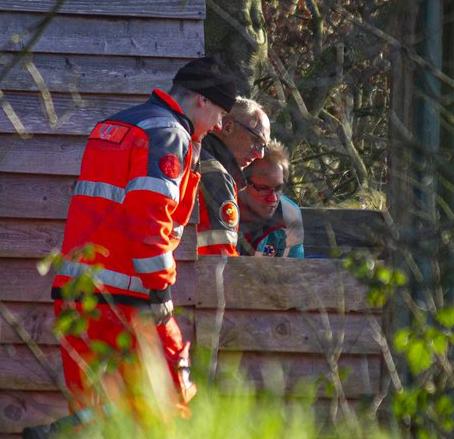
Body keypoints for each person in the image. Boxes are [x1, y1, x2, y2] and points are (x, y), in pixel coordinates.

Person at [49, 54, 250, 420]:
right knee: (170, 402)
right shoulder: (168, 135)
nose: (219, 125)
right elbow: (149, 218)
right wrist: (159, 290)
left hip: (75, 293)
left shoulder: (114, 126)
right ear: (201, 100)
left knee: (92, 411)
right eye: (220, 113)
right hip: (129, 298)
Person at [194, 96, 270, 256]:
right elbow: (223, 256)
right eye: (257, 140)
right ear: (227, 127)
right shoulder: (216, 176)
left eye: (264, 147)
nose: (260, 154)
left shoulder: (193, 155)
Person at [237, 141, 305, 257]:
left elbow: (292, 270)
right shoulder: (224, 208)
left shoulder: (289, 215)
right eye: (263, 188)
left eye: (278, 188)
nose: (273, 198)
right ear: (243, 183)